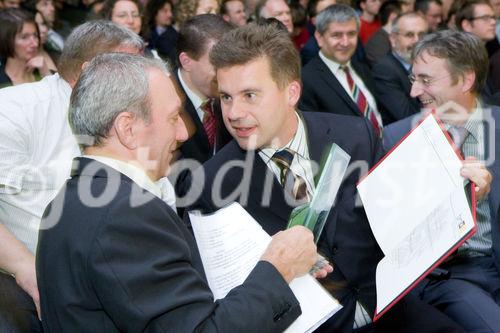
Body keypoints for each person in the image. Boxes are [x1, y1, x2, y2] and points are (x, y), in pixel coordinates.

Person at [186, 21, 465, 333]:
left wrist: (458, 198)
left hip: (390, 311)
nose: (234, 113)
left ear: (291, 92)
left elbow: (399, 223)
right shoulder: (212, 184)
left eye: (249, 95)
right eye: (225, 97)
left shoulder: (355, 135)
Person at [36, 52, 324, 332]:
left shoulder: (71, 201)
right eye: (173, 118)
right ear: (128, 128)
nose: (183, 134)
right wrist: (278, 268)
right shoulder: (124, 216)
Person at [0, 20, 143, 333]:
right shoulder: (16, 109)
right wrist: (25, 267)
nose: (142, 81)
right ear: (91, 70)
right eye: (129, 68)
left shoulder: (130, 121)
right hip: (38, 289)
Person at [383, 30, 500, 333]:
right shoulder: (396, 139)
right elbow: (391, 233)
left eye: (425, 80)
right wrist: (459, 196)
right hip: (450, 275)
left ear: (465, 80)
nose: (413, 92)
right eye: (413, 79)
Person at [172, 14, 233, 199]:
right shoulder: (163, 106)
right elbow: (180, 186)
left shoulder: (231, 96)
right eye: (217, 64)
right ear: (186, 61)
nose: (226, 73)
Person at [300, 4, 384, 135]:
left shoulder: (361, 68)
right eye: (336, 35)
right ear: (319, 37)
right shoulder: (306, 80)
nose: (345, 43)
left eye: (351, 34)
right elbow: (316, 136)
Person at [372, 12, 428, 123]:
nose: (417, 41)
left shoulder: (427, 65)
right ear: (393, 39)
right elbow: (407, 116)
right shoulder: (384, 70)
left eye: (421, 35)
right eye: (409, 35)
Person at [0, 9, 53, 88]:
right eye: (24, 37)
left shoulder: (44, 71)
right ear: (5, 40)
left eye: (35, 35)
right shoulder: (2, 83)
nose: (35, 44)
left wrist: (46, 74)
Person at [364, 0, 402, 67]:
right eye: (401, 17)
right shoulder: (378, 42)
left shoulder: (382, 37)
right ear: (393, 16)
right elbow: (384, 68)